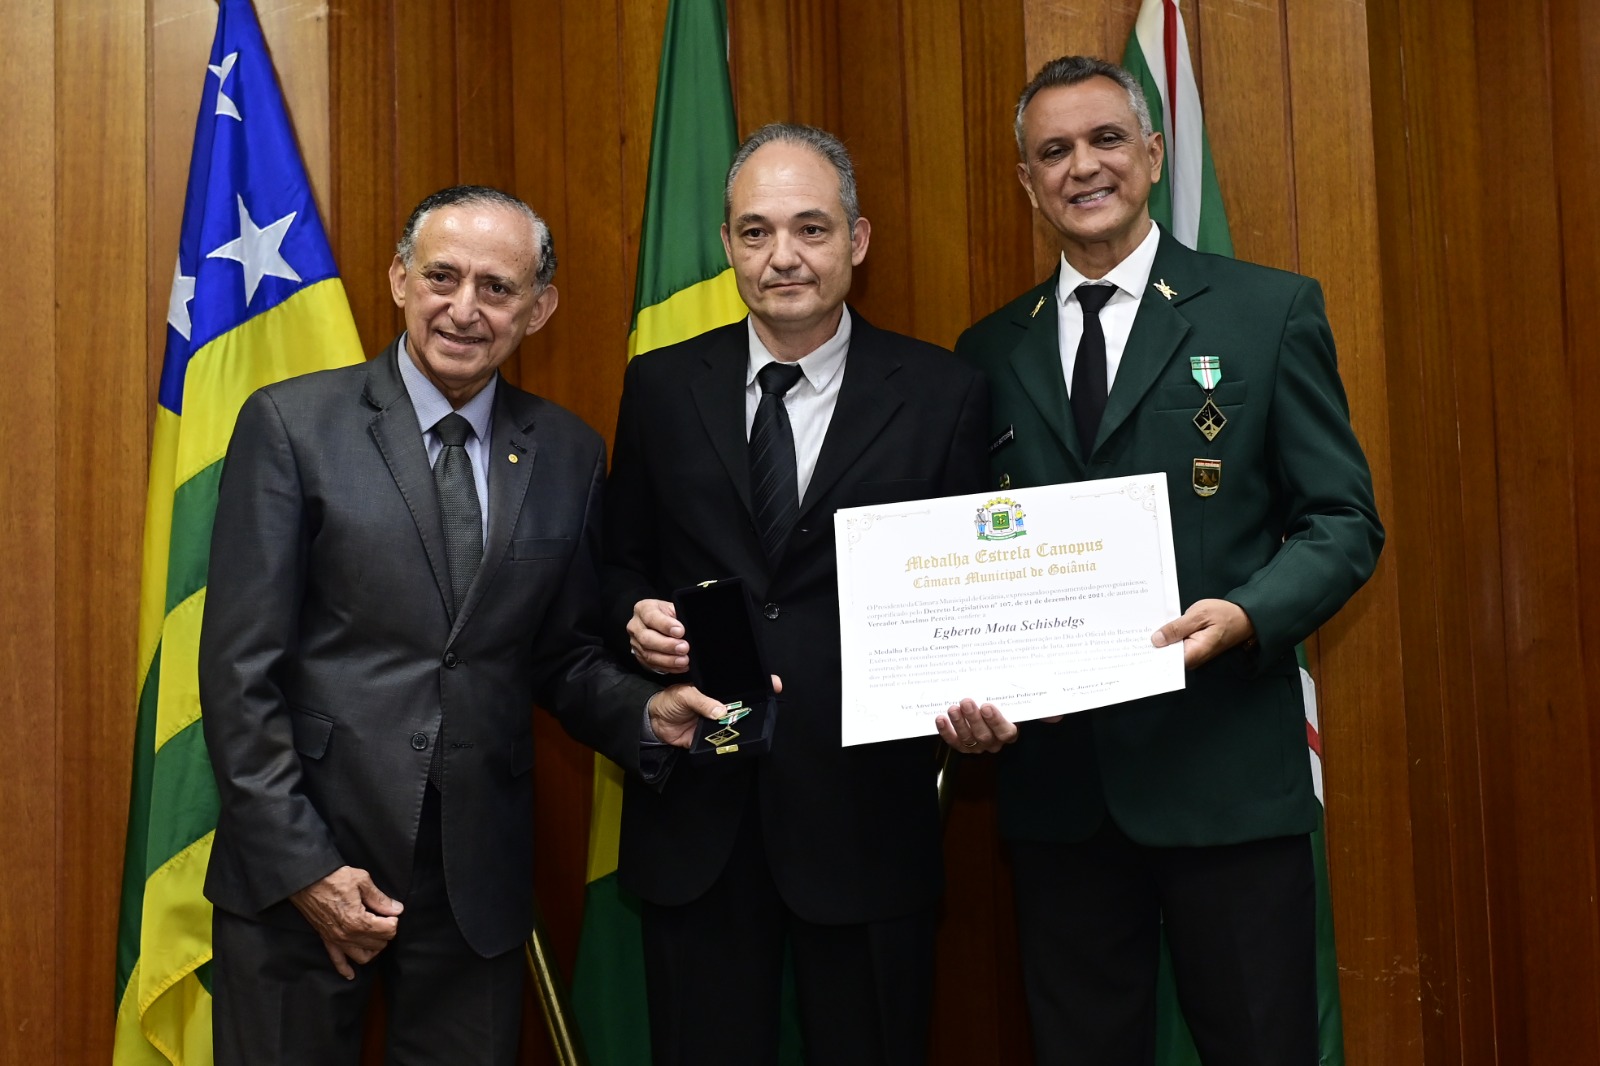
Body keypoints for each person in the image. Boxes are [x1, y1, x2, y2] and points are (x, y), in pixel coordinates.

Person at [199, 185, 728, 1065]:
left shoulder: (568, 452)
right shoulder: (292, 425)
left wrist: (645, 713)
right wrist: (303, 866)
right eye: (442, 277)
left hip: (473, 883)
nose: (463, 308)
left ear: (538, 308)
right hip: (303, 867)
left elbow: (559, 655)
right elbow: (237, 672)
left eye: (497, 287)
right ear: (399, 280)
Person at [951, 57, 1384, 1065]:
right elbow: (966, 556)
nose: (1082, 166)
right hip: (1062, 798)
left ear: (1151, 154)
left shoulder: (1266, 312)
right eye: (1053, 151)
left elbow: (1342, 520)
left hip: (1224, 777)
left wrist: (1247, 614)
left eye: (1106, 139)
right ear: (1026, 182)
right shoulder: (985, 353)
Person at [604, 123, 1010, 1066]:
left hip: (866, 825)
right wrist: (636, 617)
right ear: (727, 245)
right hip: (699, 817)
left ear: (855, 240)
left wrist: (984, 691)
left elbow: (972, 589)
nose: (781, 256)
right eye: (755, 232)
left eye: (810, 229)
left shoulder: (945, 392)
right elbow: (620, 563)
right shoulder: (660, 386)